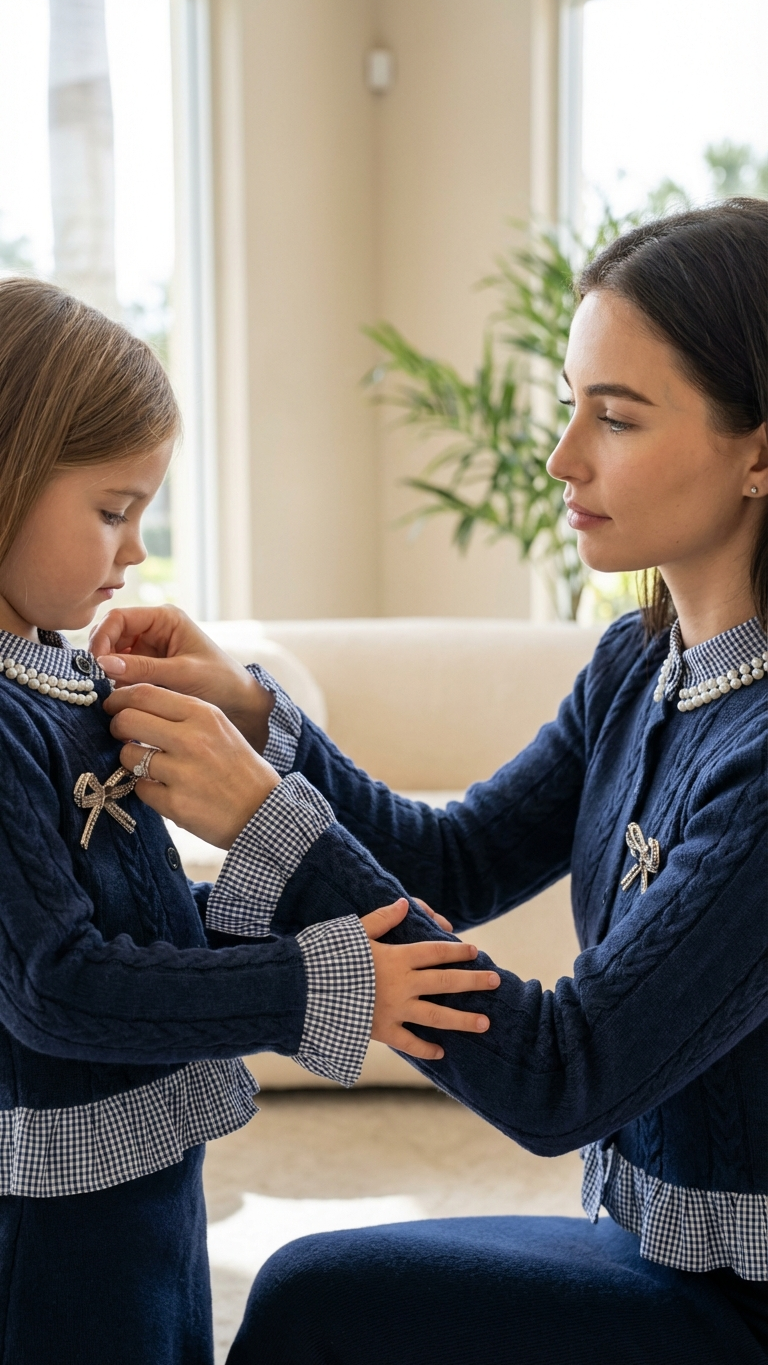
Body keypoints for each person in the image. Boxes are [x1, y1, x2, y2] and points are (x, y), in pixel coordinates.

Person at [94, 199, 767, 1363]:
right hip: (644, 1249)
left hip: (744, 1306)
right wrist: (257, 715)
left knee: (320, 1298)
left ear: (758, 449)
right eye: (570, 405)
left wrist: (267, 822)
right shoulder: (634, 669)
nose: (563, 458)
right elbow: (454, 857)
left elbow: (564, 1078)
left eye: (615, 418)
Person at [0, 276, 500, 1365]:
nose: (134, 551)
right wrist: (318, 980)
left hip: (141, 1169)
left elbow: (136, 918)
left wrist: (303, 924)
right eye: (110, 510)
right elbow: (57, 983)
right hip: (50, 1207)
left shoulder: (60, 686)